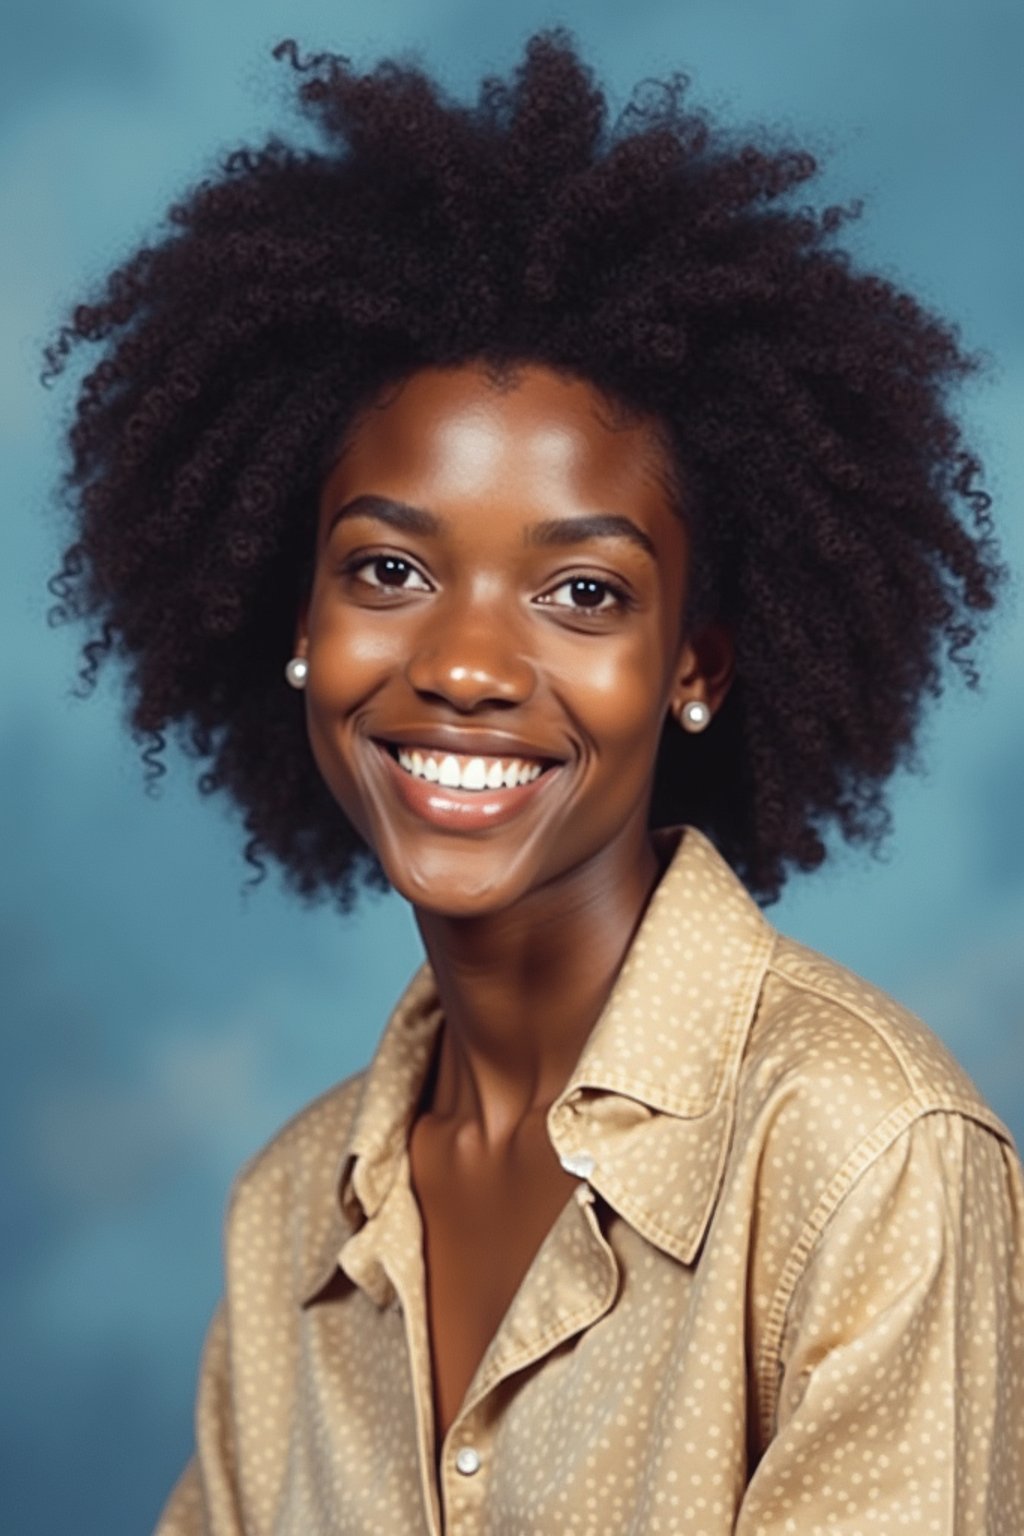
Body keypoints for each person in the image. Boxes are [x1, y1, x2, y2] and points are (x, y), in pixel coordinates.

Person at [45, 28, 1023, 1535]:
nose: (468, 665)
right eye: (387, 568)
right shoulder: (289, 1213)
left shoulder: (865, 1159)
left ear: (695, 665)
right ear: (294, 623)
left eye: (583, 593)